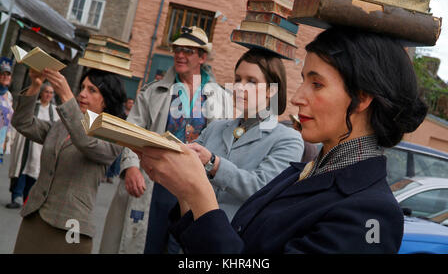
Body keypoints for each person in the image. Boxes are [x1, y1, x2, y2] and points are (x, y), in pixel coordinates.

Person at [137, 27, 428, 253]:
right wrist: (186, 191)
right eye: (302, 80)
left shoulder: (371, 214)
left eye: (317, 84)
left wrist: (200, 190)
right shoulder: (298, 174)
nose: (299, 97)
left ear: (362, 98)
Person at [100, 26, 231, 254]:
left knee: (183, 247)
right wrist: (131, 167)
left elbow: (226, 145)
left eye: (188, 51)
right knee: (147, 244)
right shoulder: (153, 92)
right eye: (177, 49)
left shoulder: (221, 98)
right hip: (156, 182)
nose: (180, 55)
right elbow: (132, 128)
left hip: (195, 185)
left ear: (202, 57)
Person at [12, 67, 126, 254]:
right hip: (35, 219)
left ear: (106, 99)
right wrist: (35, 85)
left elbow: (85, 142)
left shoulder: (113, 136)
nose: (82, 94)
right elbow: (23, 123)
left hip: (71, 229)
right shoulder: (63, 124)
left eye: (92, 90)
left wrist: (66, 95)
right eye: (82, 87)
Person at [187, 48, 304, 220]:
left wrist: (214, 163)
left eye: (251, 81)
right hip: (192, 230)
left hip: (237, 239)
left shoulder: (288, 139)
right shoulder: (215, 127)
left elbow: (263, 188)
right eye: (237, 79)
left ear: (271, 90)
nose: (239, 87)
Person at [7, 83, 60, 209]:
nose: (48, 95)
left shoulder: (54, 111)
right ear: (41, 92)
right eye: (46, 91)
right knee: (21, 169)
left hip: (40, 148)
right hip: (25, 143)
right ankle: (16, 197)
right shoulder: (33, 106)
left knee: (35, 172)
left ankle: (27, 199)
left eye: (51, 93)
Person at [0, 58, 14, 168]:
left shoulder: (9, 96)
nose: (6, 77)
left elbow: (8, 121)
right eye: (3, 74)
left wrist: (6, 141)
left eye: (8, 74)